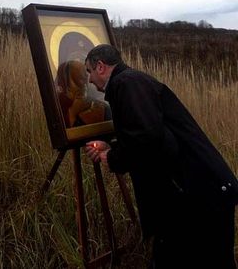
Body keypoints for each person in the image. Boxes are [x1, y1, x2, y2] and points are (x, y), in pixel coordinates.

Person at [84, 44, 238, 269]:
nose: (88, 80)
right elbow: (152, 133)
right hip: (201, 193)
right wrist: (112, 146)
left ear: (100, 66)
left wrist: (114, 157)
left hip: (201, 196)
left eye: (88, 71)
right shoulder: (133, 82)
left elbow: (148, 137)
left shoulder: (125, 83)